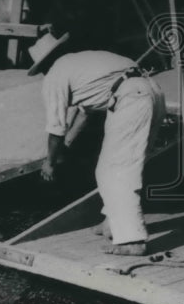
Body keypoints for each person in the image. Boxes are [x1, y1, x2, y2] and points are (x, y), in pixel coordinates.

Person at [32, 30, 166, 256]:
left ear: (43, 65)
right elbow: (84, 115)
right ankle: (113, 223)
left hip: (131, 99)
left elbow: (55, 127)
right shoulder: (79, 62)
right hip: (152, 91)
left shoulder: (54, 76)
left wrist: (50, 162)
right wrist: (67, 144)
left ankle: (133, 240)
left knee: (114, 170)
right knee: (124, 166)